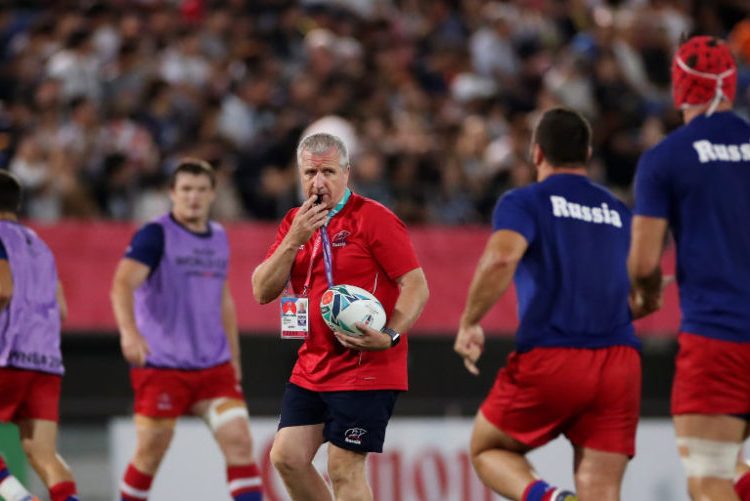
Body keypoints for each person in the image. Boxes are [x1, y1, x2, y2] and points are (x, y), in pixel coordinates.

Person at [455, 108, 642, 501]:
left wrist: (470, 320)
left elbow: (501, 258)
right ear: (587, 153)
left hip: (554, 357)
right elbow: (640, 290)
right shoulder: (620, 212)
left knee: (488, 448)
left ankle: (551, 499)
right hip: (619, 363)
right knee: (602, 492)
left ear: (537, 153)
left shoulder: (526, 201)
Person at [252, 132, 429, 501]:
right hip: (313, 365)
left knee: (344, 467)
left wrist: (390, 335)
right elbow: (261, 291)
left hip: (366, 364)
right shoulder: (293, 223)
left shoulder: (374, 219)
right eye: (309, 173)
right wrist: (293, 240)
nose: (318, 183)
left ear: (347, 173)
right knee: (287, 457)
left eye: (328, 172)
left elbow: (416, 285)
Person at [628, 35, 750, 501]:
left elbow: (643, 262)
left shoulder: (667, 158)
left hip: (718, 338)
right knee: (732, 465)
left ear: (679, 90)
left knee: (709, 476)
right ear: (732, 86)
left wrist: (647, 291)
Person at [111, 159, 262, 501]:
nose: (193, 197)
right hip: (163, 366)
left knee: (240, 442)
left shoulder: (220, 237)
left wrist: (234, 356)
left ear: (212, 194)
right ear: (172, 193)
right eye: (186, 190)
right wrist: (129, 332)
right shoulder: (155, 234)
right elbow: (122, 284)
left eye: (200, 190)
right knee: (150, 452)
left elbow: (223, 299)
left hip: (214, 368)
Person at [0, 171, 79, 501]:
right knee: (43, 453)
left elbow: (2, 289)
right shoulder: (40, 246)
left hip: (6, 355)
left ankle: (19, 499)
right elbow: (60, 309)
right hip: (45, 363)